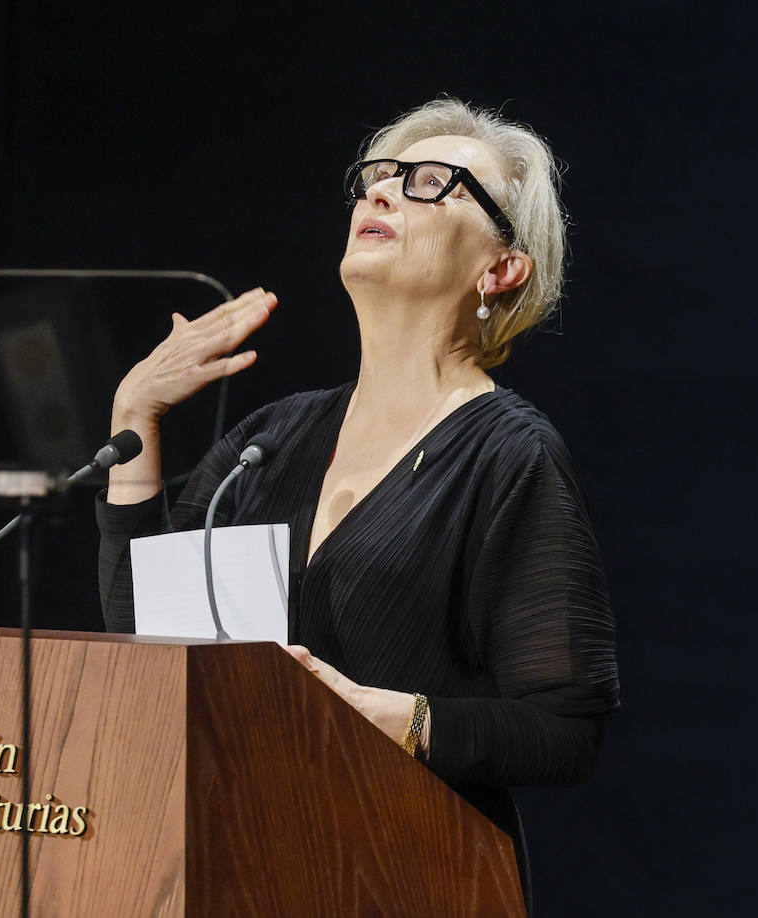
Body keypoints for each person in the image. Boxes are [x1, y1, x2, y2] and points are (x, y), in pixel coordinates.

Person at [95, 99, 619, 905]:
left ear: (501, 268)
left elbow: (565, 731)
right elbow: (146, 636)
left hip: (407, 876)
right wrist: (136, 418)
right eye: (378, 177)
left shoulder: (509, 455)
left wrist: (380, 715)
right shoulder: (273, 437)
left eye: (431, 183)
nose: (382, 194)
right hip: (240, 864)